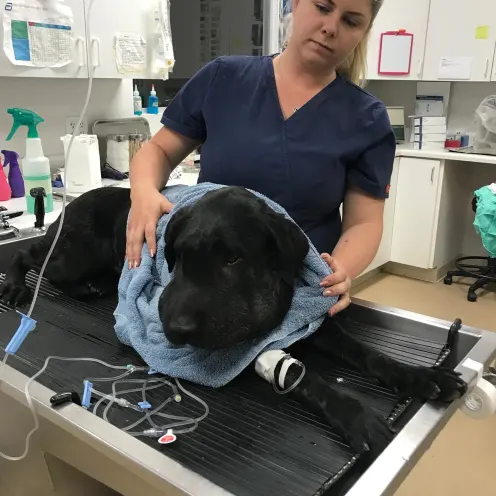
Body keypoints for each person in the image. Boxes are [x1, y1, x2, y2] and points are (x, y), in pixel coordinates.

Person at [126, 0, 395, 316]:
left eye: (351, 21)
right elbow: (158, 150)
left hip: (298, 290)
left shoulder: (366, 119)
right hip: (205, 285)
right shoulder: (222, 79)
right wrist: (143, 191)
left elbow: (364, 222)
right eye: (323, 7)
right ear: (295, 3)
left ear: (364, 32)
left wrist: (342, 270)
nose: (331, 28)